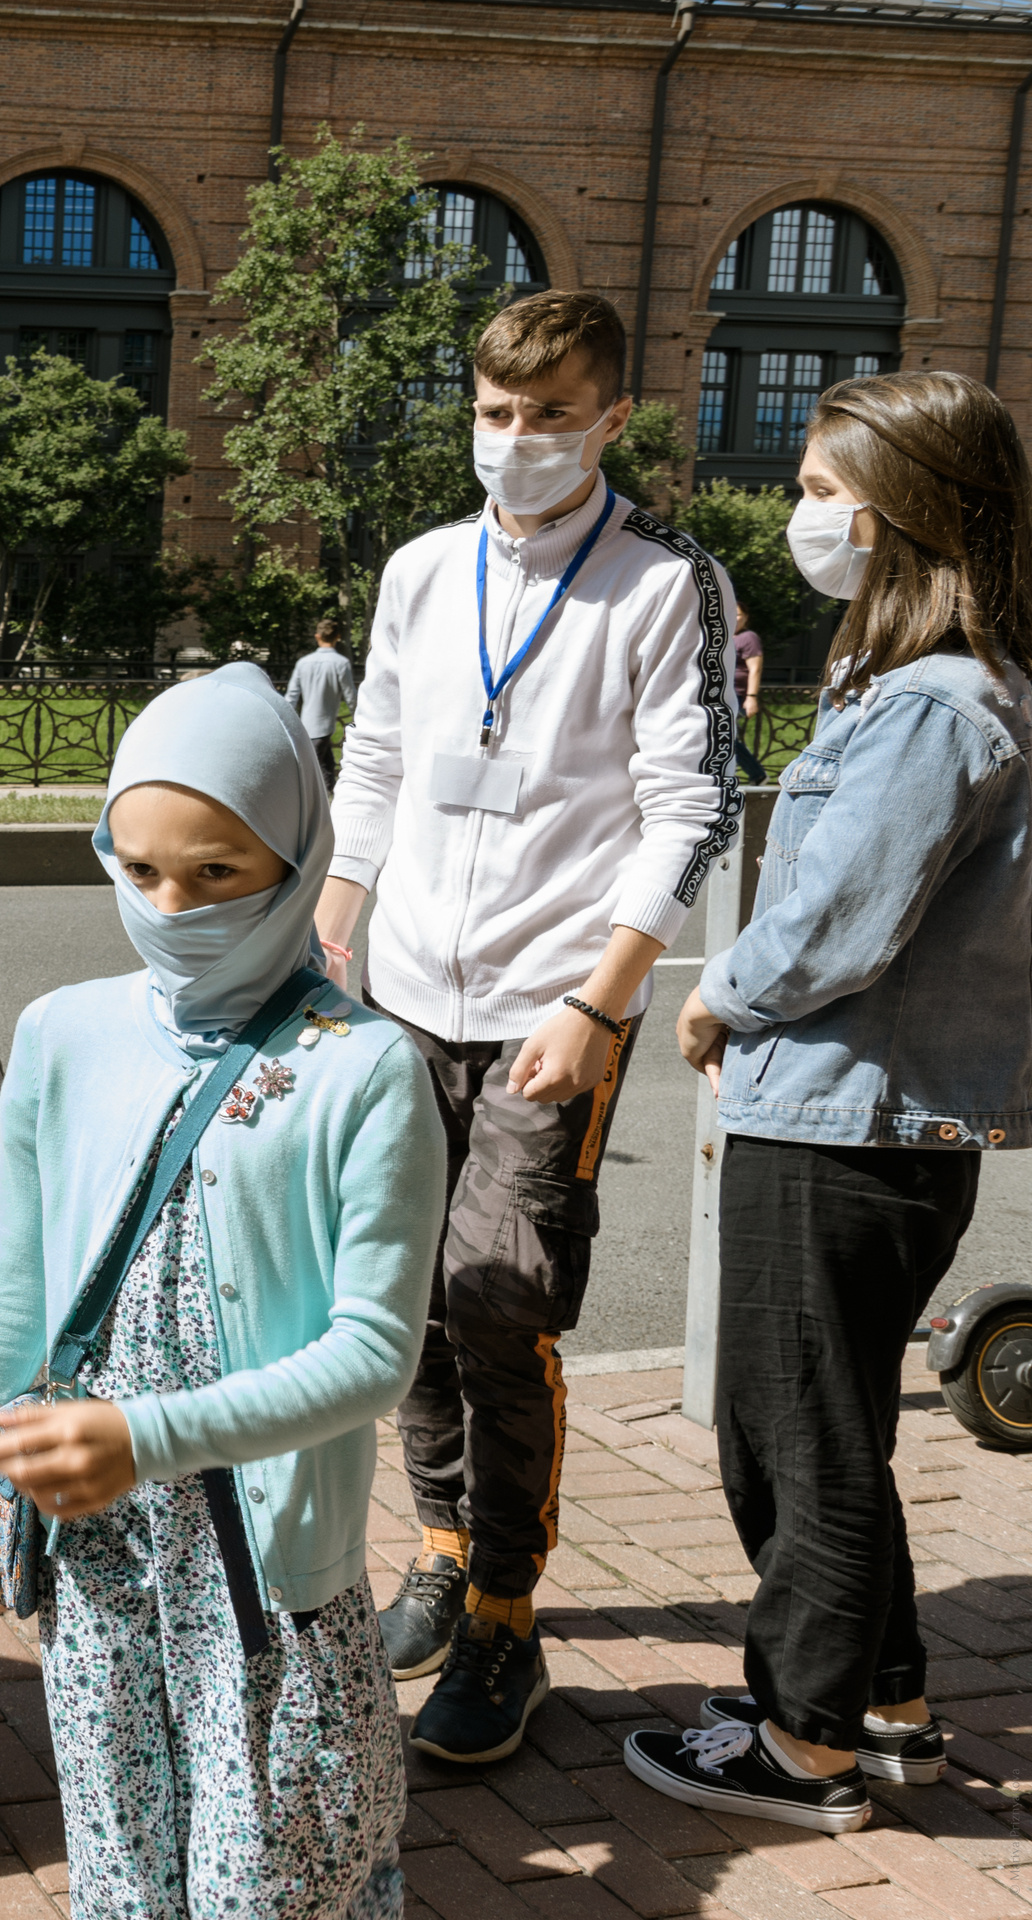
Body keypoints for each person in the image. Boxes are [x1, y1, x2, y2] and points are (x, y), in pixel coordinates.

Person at [0, 663, 442, 1919]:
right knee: (118, 1865)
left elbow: (374, 1352)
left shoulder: (366, 1069)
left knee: (273, 1873)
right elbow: (22, 1274)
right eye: (138, 866)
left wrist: (145, 1439)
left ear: (293, 858)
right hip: (93, 1538)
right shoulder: (60, 1031)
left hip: (261, 1567)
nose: (170, 904)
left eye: (218, 872)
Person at [314, 289, 738, 1765]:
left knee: (496, 1292)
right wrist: (343, 897)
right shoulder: (423, 570)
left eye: (551, 415)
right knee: (402, 1291)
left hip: (551, 1006)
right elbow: (372, 750)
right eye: (496, 414)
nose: (517, 442)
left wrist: (599, 1000)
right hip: (405, 989)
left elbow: (691, 811)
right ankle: (438, 1543)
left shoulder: (667, 583)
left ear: (611, 419)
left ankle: (506, 1609)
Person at [625, 370, 1032, 1834]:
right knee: (831, 1422)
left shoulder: (940, 707)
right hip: (873, 1117)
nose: (800, 515)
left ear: (905, 510)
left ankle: (807, 1749)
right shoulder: (957, 692)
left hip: (846, 1116)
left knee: (793, 1436)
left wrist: (718, 990)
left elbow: (838, 923)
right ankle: (889, 1702)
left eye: (816, 490)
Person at [286, 617, 360, 785]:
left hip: (306, 724)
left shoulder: (303, 663)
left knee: (323, 765)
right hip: (325, 725)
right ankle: (323, 801)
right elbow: (350, 696)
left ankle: (329, 797)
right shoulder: (341, 663)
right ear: (337, 637)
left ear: (317, 636)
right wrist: (358, 718)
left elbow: (291, 697)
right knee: (317, 770)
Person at [732, 610, 769, 783]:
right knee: (720, 735)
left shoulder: (748, 637)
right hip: (718, 695)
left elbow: (755, 668)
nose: (734, 616)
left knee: (722, 735)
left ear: (746, 617)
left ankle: (757, 774)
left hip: (737, 695)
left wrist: (751, 696)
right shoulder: (722, 635)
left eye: (739, 613)